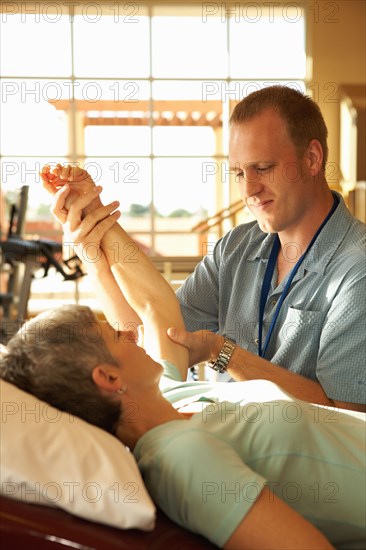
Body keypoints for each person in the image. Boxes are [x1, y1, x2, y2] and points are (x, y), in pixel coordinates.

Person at [1, 188, 365, 548]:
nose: (131, 332)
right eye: (114, 334)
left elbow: (154, 306)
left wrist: (90, 224)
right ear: (110, 378)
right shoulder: (181, 457)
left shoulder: (170, 397)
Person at [39, 85, 366, 412]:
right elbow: (154, 331)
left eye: (263, 168)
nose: (249, 189)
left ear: (311, 158)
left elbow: (347, 416)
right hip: (223, 438)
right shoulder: (236, 248)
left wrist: (222, 353)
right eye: (239, 173)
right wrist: (92, 245)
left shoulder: (357, 268)